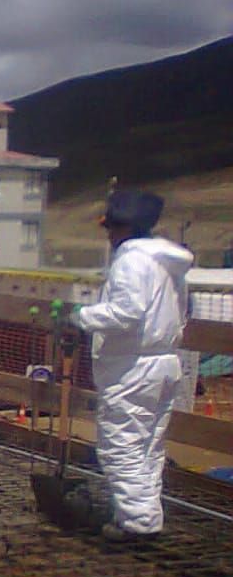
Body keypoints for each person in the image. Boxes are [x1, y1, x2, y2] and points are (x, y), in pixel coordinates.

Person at [71, 189, 192, 541]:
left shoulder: (131, 260)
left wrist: (80, 317)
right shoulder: (166, 263)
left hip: (132, 367)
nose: (108, 235)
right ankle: (144, 513)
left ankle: (138, 524)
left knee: (121, 445)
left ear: (122, 228)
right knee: (148, 447)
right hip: (165, 362)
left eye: (111, 228)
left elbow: (128, 312)